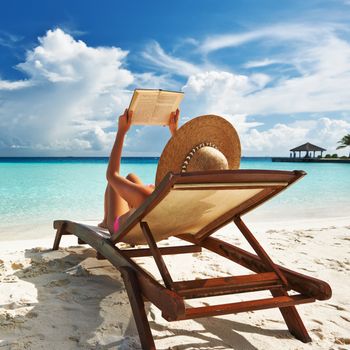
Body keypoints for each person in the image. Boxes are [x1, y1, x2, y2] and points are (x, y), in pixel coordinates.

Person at [99, 108, 179, 235]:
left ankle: (106, 221)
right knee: (131, 176)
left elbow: (111, 175)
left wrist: (121, 132)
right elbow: (181, 164)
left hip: (118, 227)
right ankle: (121, 213)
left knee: (114, 183)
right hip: (156, 222)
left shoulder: (148, 196)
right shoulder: (181, 196)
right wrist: (174, 132)